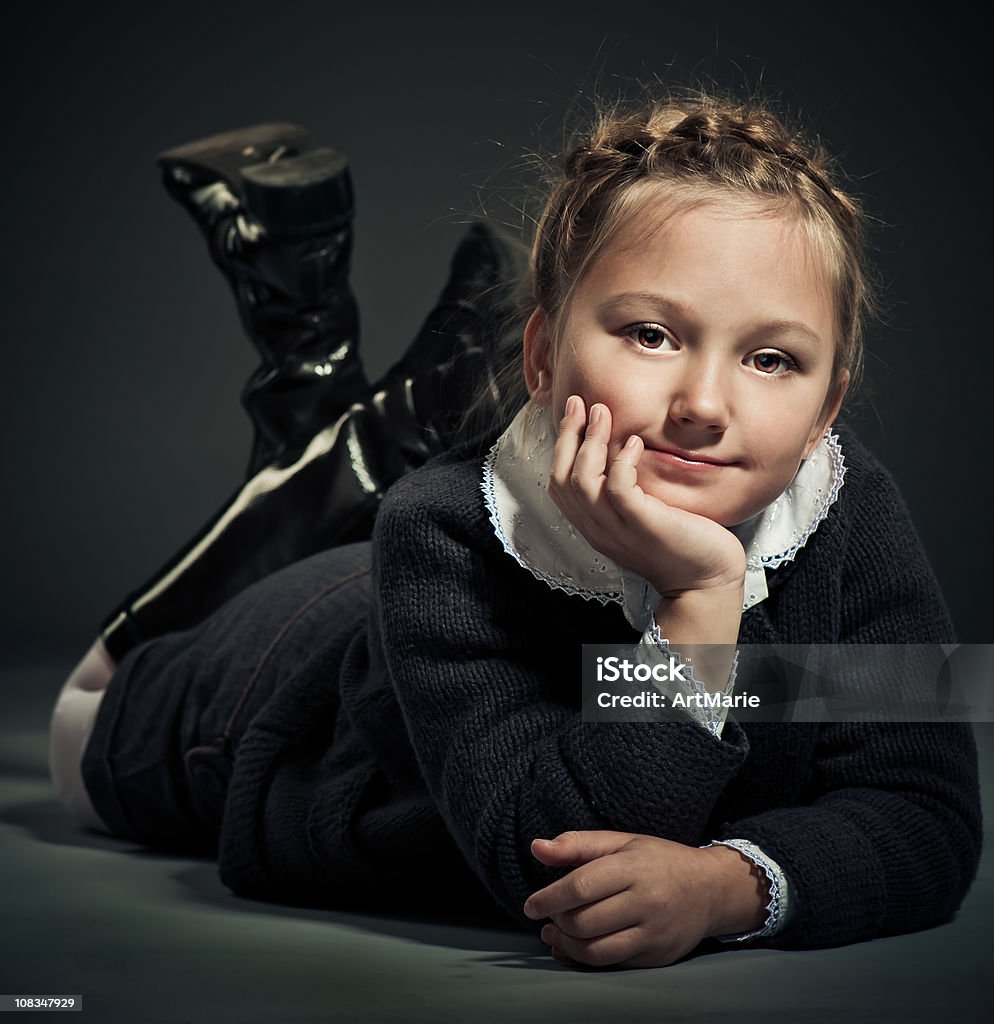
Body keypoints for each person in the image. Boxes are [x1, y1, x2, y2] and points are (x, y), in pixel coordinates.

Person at [49, 87, 983, 970]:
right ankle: (340, 429)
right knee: (77, 724)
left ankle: (364, 415)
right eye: (651, 335)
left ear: (829, 408)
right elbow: (552, 860)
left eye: (772, 358)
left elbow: (927, 816)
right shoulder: (441, 535)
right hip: (288, 685)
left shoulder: (848, 507)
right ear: (545, 354)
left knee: (367, 508)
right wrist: (700, 600)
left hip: (410, 599)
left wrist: (726, 887)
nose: (703, 403)